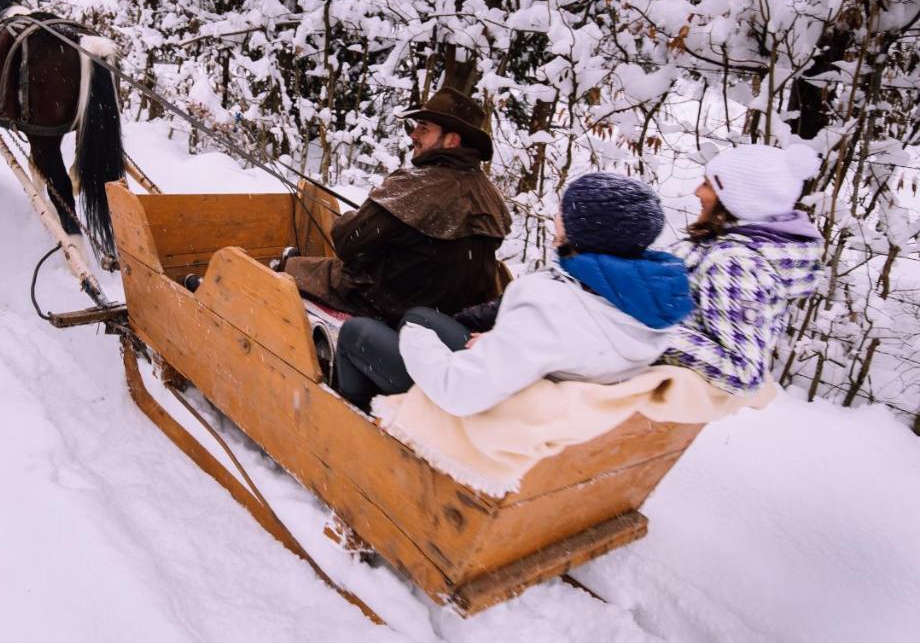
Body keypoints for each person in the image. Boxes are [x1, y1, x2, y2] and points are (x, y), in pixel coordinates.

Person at [350, 173, 694, 417]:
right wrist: (504, 338)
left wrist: (415, 339)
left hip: (487, 409)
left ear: (585, 229)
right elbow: (559, 339)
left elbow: (459, 392)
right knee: (421, 316)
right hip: (533, 385)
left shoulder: (551, 307)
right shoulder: (642, 300)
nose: (555, 217)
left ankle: (356, 424)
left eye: (564, 212)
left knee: (360, 332)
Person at [280, 87, 513, 326]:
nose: (413, 135)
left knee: (291, 270)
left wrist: (354, 219)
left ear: (452, 140)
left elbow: (348, 243)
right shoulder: (490, 195)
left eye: (424, 128)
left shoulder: (416, 186)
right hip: (447, 314)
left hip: (388, 306)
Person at [659, 144, 824, 395]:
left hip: (654, 404)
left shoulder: (736, 265)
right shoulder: (725, 246)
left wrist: (645, 330)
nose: (697, 191)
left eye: (707, 185)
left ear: (735, 200)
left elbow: (743, 372)